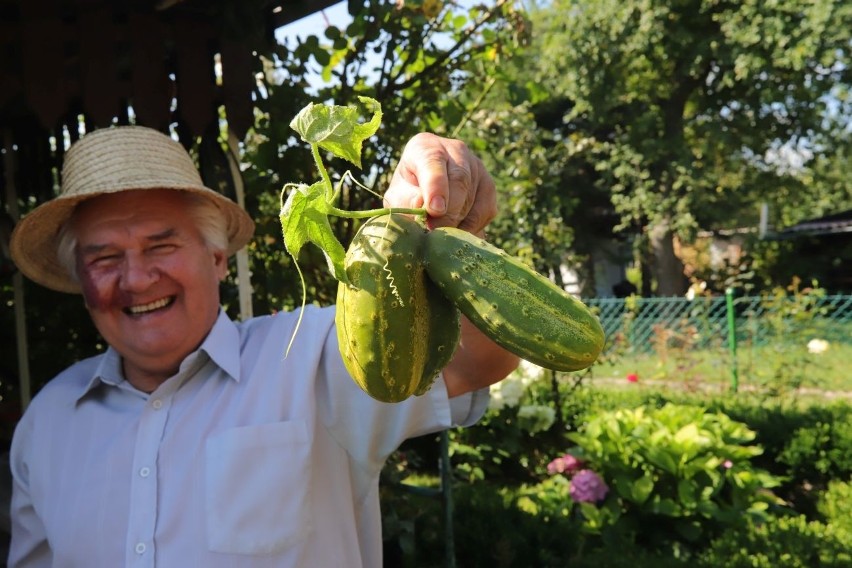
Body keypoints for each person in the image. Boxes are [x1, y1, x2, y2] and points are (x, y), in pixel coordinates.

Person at [6, 125, 519, 567]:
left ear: (216, 258)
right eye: (104, 258)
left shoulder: (313, 355)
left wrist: (440, 223)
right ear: (80, 279)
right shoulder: (48, 419)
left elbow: (480, 358)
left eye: (161, 246)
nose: (136, 279)